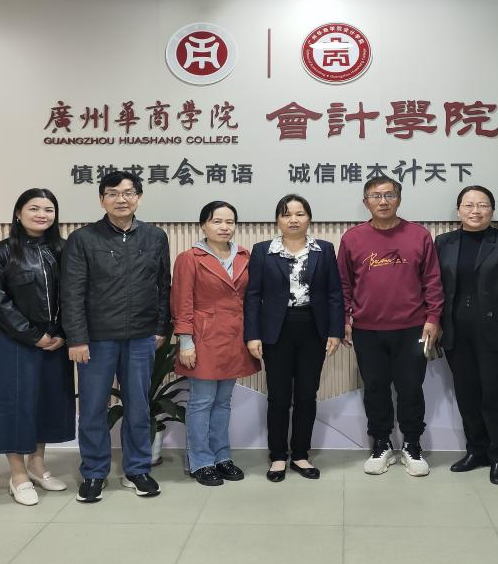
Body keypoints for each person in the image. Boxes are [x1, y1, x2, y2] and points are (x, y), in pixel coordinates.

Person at [61, 171, 172, 503]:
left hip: (141, 337)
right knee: (93, 408)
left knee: (138, 407)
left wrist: (160, 328)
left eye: (128, 193)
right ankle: (94, 472)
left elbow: (163, 286)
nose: (121, 199)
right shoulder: (83, 239)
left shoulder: (155, 237)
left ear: (139, 197)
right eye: (112, 193)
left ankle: (137, 470)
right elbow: (72, 292)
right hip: (96, 339)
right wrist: (76, 338)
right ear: (101, 200)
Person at [338, 176, 444, 477]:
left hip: (413, 328)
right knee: (375, 388)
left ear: (399, 199)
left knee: (411, 388)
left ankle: (412, 444)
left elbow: (433, 281)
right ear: (366, 202)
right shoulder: (352, 238)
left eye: (389, 195)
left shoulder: (419, 235)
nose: (382, 201)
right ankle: (381, 443)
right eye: (376, 196)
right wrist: (345, 319)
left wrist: (433, 318)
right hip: (367, 329)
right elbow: (343, 284)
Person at [0, 188, 75, 506]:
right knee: (16, 405)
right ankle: (18, 474)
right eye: (34, 208)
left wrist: (62, 333)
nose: (41, 215)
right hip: (15, 342)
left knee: (45, 402)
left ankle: (37, 465)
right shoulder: (0, 252)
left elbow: (75, 294)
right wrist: (33, 335)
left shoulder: (64, 249)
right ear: (19, 213)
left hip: (56, 342)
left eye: (49, 210)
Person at [244, 194, 345, 482]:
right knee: (278, 396)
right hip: (276, 330)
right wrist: (253, 335)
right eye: (286, 214)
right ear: (277, 220)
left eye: (300, 214)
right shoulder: (263, 251)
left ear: (309, 218)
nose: (293, 219)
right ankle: (277, 456)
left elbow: (334, 293)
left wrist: (335, 331)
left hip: (313, 329)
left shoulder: (324, 249)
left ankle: (300, 454)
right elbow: (253, 296)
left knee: (306, 395)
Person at [435, 185, 498, 485]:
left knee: (496, 392)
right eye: (469, 205)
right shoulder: (444, 242)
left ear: (492, 210)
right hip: (456, 329)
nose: (475, 210)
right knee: (467, 393)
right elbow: (435, 286)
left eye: (482, 205)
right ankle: (476, 450)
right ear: (458, 210)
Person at [171, 201, 259, 487]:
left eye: (229, 222)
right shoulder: (190, 258)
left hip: (235, 337)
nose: (224, 227)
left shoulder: (244, 256)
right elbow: (182, 302)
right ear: (203, 225)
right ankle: (200, 461)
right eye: (217, 221)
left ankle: (222, 457)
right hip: (203, 338)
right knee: (201, 402)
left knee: (223, 402)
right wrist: (186, 341)